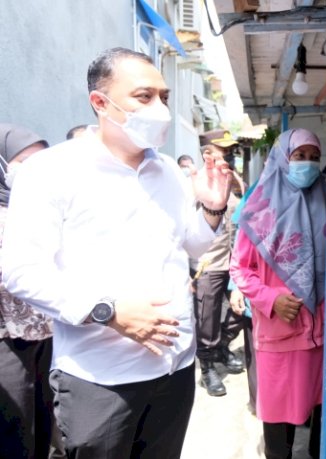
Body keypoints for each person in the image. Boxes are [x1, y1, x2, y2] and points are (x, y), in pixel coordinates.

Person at [2, 47, 231, 458]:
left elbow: (192, 246)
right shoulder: (51, 171)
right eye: (144, 97)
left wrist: (212, 209)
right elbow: (22, 271)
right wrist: (107, 310)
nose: (159, 109)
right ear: (100, 103)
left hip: (174, 369)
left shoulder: (169, 172)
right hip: (101, 379)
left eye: (164, 97)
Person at [230, 128, 326, 459]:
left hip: (322, 328)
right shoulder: (259, 209)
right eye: (299, 156)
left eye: (314, 157)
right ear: (282, 159)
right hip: (280, 331)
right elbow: (240, 269)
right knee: (278, 412)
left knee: (323, 405)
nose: (308, 164)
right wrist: (271, 300)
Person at [0, 124, 53, 458]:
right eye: (24, 162)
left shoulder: (42, 208)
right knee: (14, 429)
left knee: (45, 423)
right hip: (6, 340)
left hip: (48, 333)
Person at [192, 129, 246, 397]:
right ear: (207, 154)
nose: (230, 155)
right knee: (207, 318)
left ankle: (223, 345)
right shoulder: (196, 182)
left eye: (230, 150)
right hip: (209, 262)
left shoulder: (235, 179)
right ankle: (208, 365)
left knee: (240, 310)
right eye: (223, 150)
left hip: (236, 260)